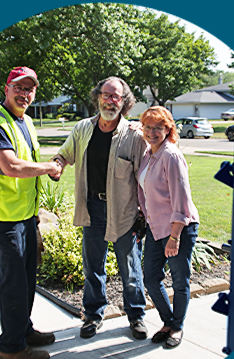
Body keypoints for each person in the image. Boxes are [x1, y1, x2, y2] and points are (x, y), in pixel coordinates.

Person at [0, 66, 62, 359]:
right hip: (2, 215)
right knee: (13, 281)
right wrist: (50, 168)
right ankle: (11, 347)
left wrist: (35, 218)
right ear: (7, 88)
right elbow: (11, 166)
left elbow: (27, 167)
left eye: (30, 89)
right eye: (19, 87)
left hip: (23, 214)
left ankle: (22, 331)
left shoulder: (24, 122)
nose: (24, 94)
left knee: (26, 276)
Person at [52, 77, 148, 340]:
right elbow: (65, 154)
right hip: (92, 207)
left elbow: (145, 178)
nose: (110, 100)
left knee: (130, 267)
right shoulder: (83, 128)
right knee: (93, 265)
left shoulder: (134, 136)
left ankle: (137, 315)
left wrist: (144, 215)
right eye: (106, 95)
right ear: (97, 97)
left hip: (124, 211)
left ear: (124, 101)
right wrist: (56, 165)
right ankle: (93, 316)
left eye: (116, 96)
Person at [137, 106, 199, 349]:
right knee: (151, 278)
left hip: (178, 228)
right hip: (156, 228)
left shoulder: (171, 155)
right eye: (148, 127)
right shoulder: (149, 154)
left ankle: (177, 327)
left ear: (168, 129)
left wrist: (174, 237)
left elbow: (181, 200)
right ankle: (168, 321)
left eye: (158, 127)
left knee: (180, 281)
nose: (152, 132)